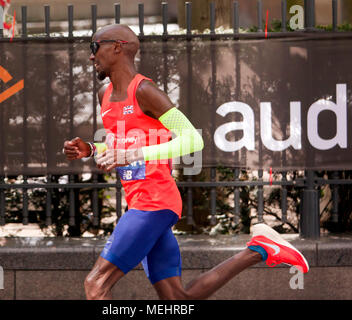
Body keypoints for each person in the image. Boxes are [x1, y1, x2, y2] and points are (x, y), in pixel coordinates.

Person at [63, 24, 309, 300]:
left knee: (96, 285)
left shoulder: (144, 90)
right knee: (178, 299)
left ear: (117, 47)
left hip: (153, 203)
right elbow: (123, 143)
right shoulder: (104, 96)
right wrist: (90, 149)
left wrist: (132, 155)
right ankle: (259, 250)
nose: (91, 57)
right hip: (142, 204)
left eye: (94, 48)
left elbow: (193, 140)